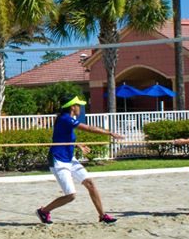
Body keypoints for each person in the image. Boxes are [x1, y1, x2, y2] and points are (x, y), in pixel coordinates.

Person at [35, 96, 123, 225]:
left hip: (70, 159)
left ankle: (102, 216)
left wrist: (78, 144)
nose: (81, 108)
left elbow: (63, 137)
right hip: (58, 160)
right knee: (71, 196)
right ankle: (44, 211)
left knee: (90, 184)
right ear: (72, 107)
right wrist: (109, 133)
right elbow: (89, 128)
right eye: (78, 105)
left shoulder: (66, 120)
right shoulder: (65, 119)